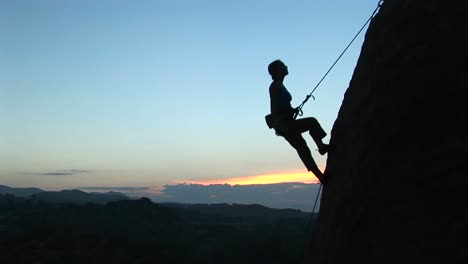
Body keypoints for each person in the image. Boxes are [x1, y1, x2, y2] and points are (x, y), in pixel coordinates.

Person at [267, 59, 329, 184]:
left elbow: (280, 106)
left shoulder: (279, 85)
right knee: (304, 142)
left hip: (285, 123)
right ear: (279, 70)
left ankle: (320, 168)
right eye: (283, 65)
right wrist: (287, 113)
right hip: (284, 124)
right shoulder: (275, 86)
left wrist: (291, 110)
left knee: (302, 147)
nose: (286, 66)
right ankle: (321, 152)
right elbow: (275, 108)